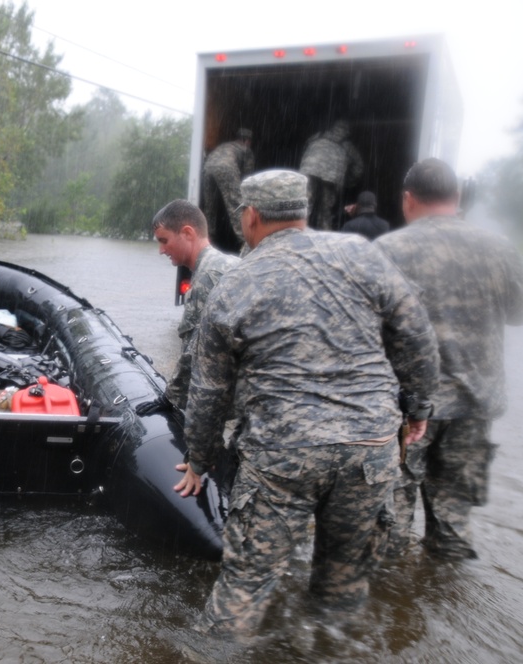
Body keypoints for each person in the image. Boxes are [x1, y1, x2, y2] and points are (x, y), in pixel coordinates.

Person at [174, 169, 439, 639]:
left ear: (251, 216)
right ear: (304, 211)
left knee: (244, 588)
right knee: (342, 589)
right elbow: (416, 336)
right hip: (370, 448)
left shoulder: (236, 281)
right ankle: (330, 646)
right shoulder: (362, 256)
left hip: (282, 454)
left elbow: (209, 391)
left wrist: (198, 460)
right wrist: (417, 409)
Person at [375, 158, 523, 560]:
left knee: (390, 531)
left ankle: (393, 611)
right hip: (475, 407)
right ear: (457, 198)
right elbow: (516, 314)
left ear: (408, 200)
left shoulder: (388, 251)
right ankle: (446, 596)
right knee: (453, 533)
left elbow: (364, 330)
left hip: (406, 412)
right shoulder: (498, 248)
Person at [151, 199, 240, 411]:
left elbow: (195, 349)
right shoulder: (225, 264)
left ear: (188, 234)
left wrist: (170, 398)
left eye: (164, 240)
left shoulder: (208, 276)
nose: (161, 250)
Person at [300, 119, 364, 230]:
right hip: (331, 177)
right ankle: (325, 234)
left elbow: (305, 148)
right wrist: (349, 182)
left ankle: (299, 231)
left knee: (304, 205)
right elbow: (359, 167)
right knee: (325, 210)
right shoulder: (347, 146)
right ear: (348, 132)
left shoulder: (318, 136)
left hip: (309, 169)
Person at [200, 128, 255, 253]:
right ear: (247, 141)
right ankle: (246, 244)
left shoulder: (225, 146)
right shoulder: (245, 150)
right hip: (226, 168)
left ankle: (207, 242)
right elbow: (247, 178)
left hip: (208, 167)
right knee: (237, 206)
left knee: (210, 208)